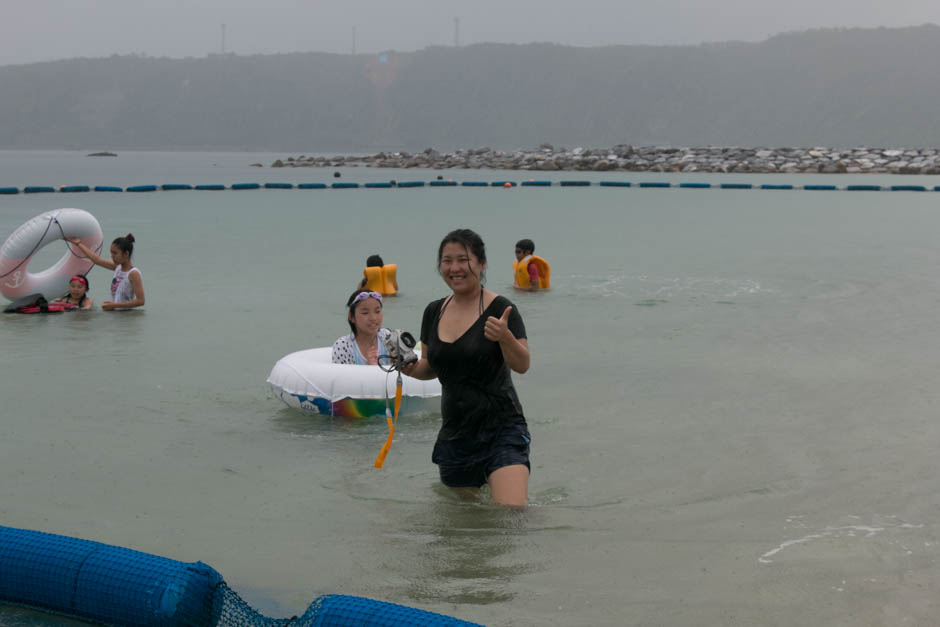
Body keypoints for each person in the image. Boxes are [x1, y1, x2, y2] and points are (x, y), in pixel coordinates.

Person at [402, 229, 532, 507]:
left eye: (463, 259)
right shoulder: (433, 311)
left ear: (481, 264)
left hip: (502, 428)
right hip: (456, 435)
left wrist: (504, 337)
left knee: (512, 515)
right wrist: (408, 368)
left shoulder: (501, 308)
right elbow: (431, 367)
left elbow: (522, 364)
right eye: (447, 261)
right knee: (466, 525)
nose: (455, 268)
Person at [67, 234, 145, 311]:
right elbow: (96, 260)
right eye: (111, 253)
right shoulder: (118, 268)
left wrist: (114, 305)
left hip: (125, 317)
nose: (112, 256)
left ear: (126, 254)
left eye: (115, 253)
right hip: (116, 315)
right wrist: (78, 243)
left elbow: (141, 301)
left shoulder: (133, 273)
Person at [332, 289, 392, 365]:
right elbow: (341, 376)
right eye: (365, 313)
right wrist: (369, 367)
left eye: (377, 311)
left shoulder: (387, 337)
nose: (373, 318)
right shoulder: (343, 346)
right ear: (351, 317)